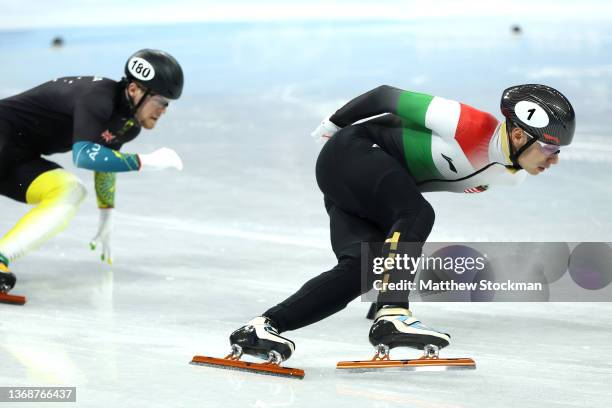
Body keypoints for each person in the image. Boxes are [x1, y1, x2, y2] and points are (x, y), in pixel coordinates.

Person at [227, 84, 576, 362]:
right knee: (418, 214)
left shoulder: (511, 177)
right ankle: (394, 312)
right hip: (354, 150)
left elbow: (412, 186)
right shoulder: (465, 122)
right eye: (549, 149)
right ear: (519, 136)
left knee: (363, 268)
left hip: (358, 186)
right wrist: (332, 125)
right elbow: (384, 96)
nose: (554, 160)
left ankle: (262, 327)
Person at [0, 49, 184, 296]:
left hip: (16, 158)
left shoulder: (128, 126)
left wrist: (106, 215)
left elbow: (103, 162)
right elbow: (84, 155)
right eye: (161, 101)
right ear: (134, 90)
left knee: (70, 191)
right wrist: (145, 161)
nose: (163, 110)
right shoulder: (97, 97)